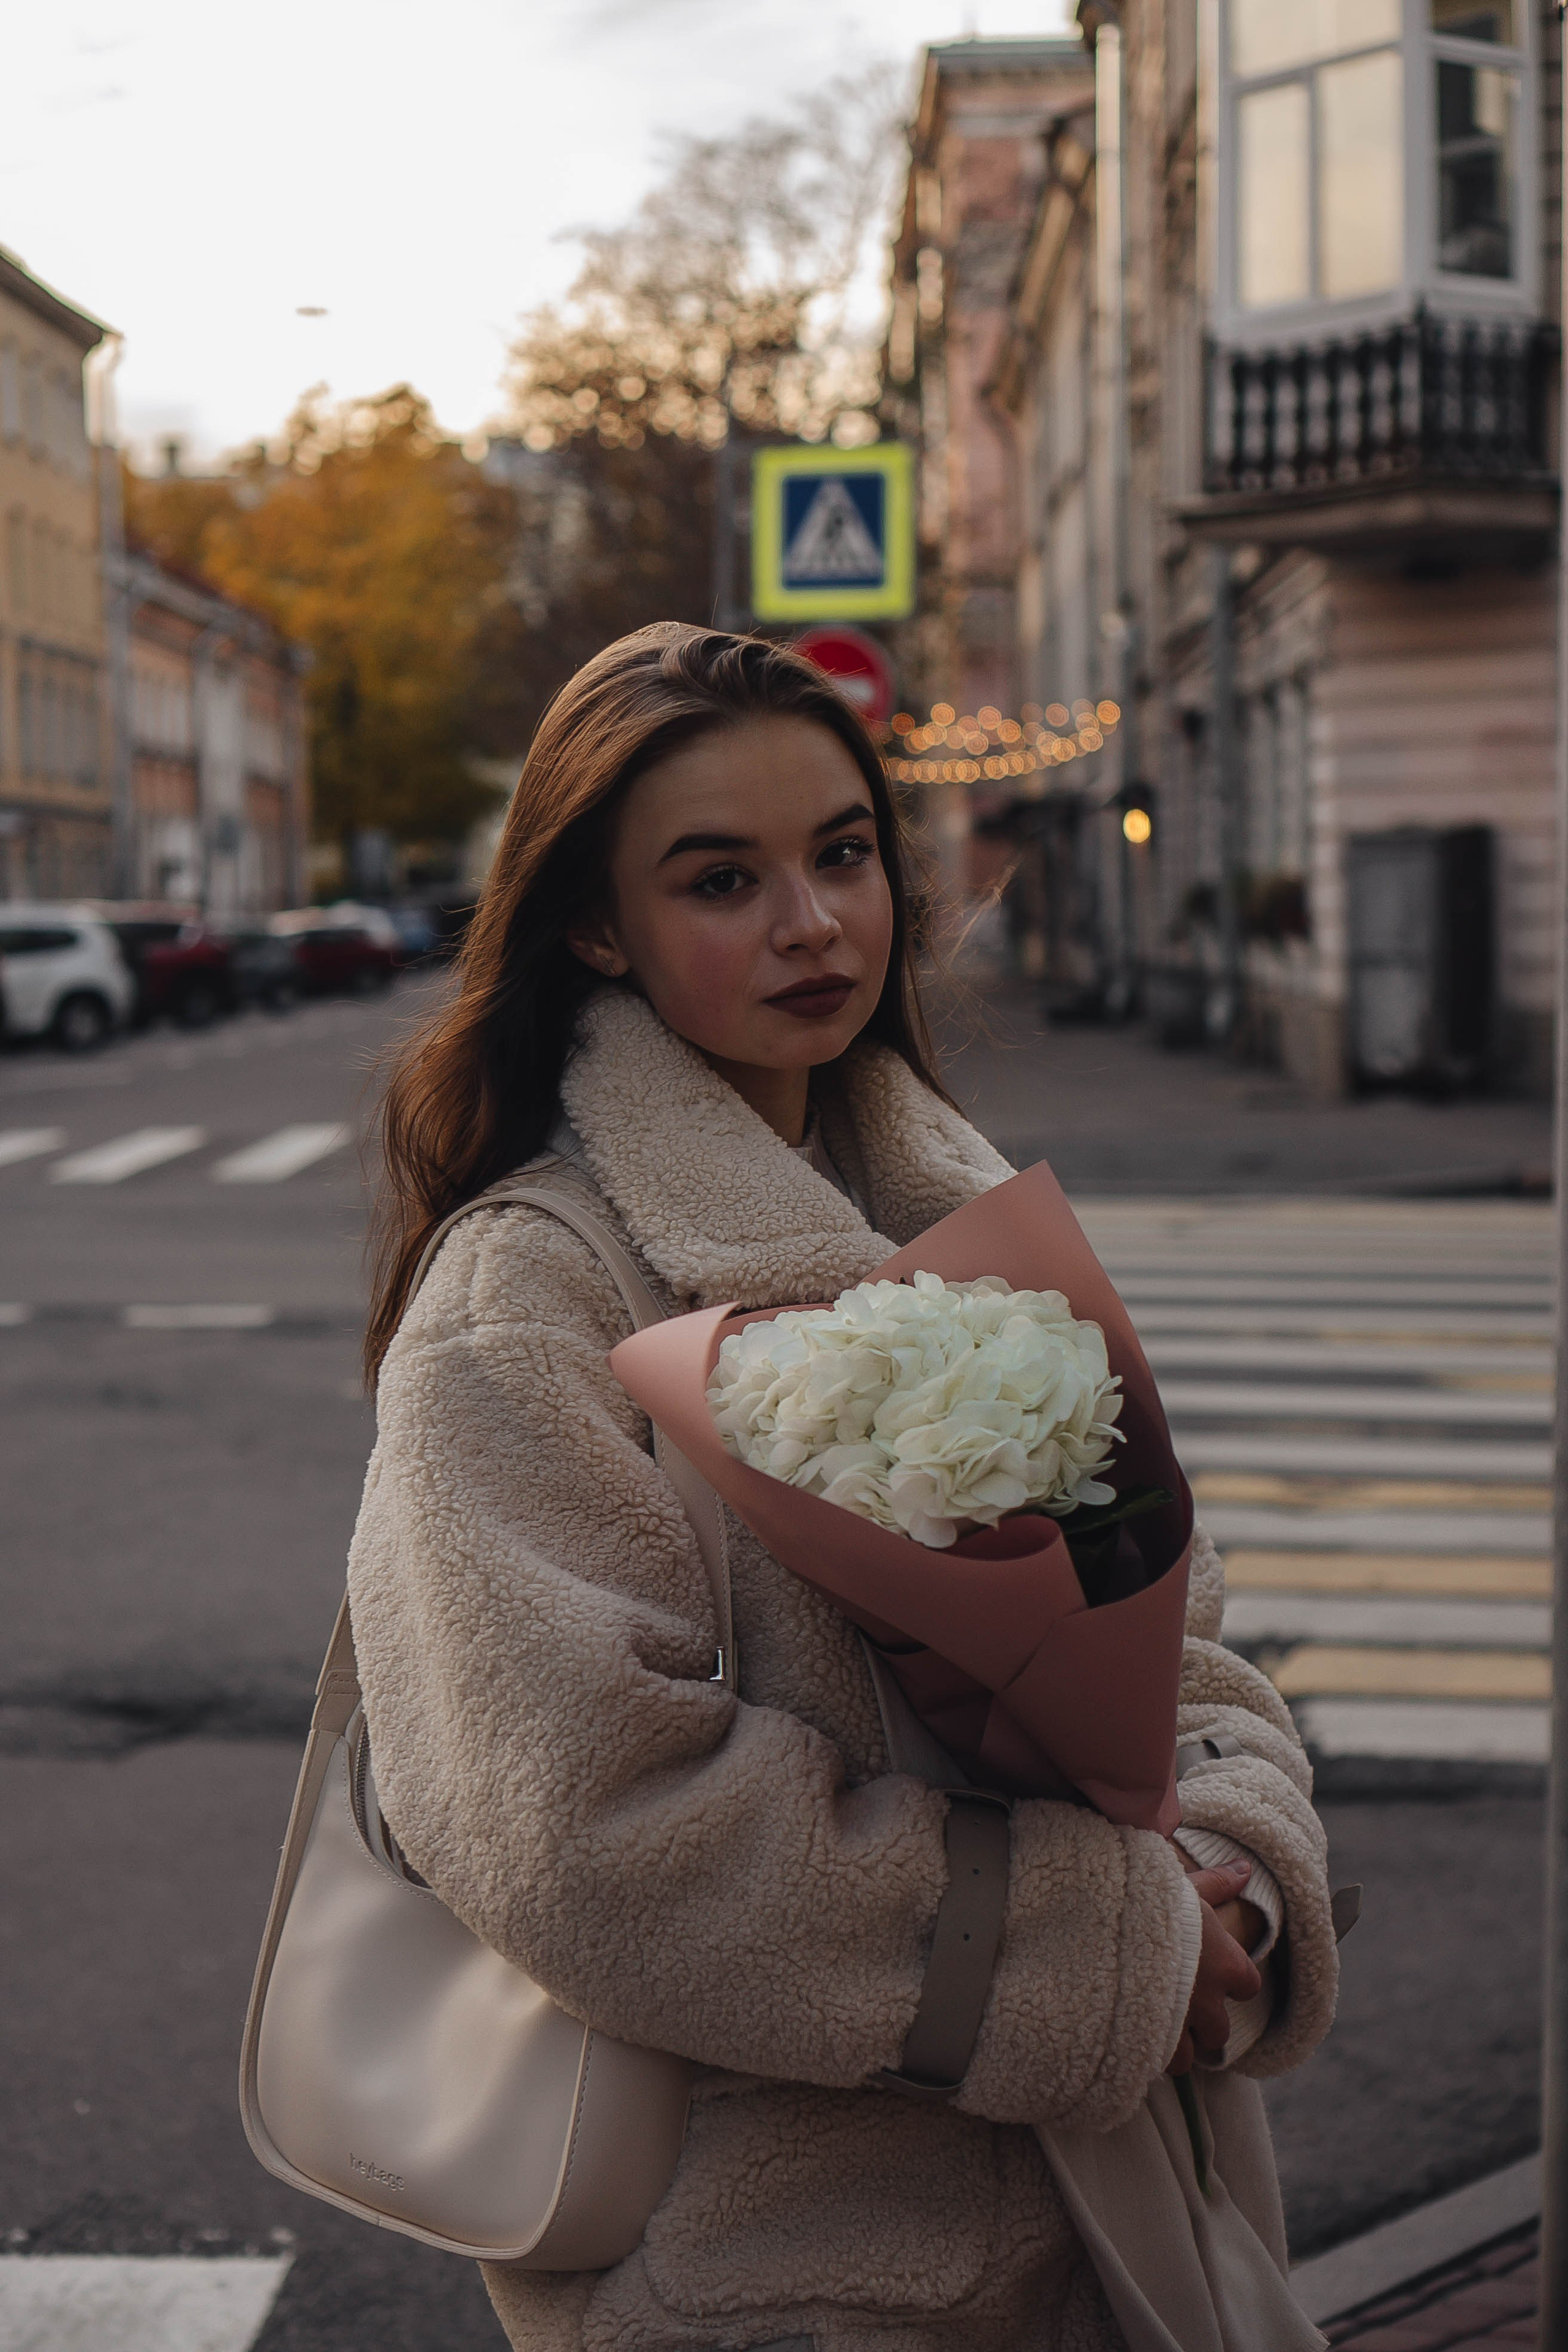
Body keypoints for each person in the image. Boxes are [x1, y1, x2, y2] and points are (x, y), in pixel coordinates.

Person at [350, 623, 1338, 2352]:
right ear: (597, 923)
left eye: (844, 852)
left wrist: (1237, 1869)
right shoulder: (531, 1291)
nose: (814, 923)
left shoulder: (954, 1210)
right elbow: (579, 1829)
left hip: (1121, 2209)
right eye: (722, 878)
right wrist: (1111, 1952)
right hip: (791, 2270)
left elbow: (1177, 1629)